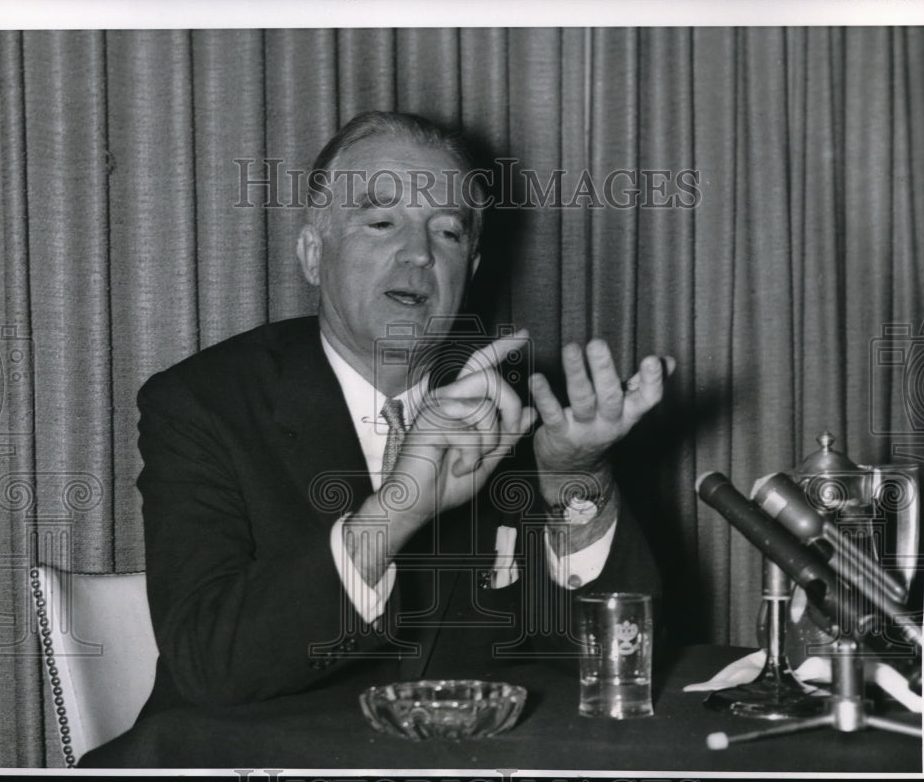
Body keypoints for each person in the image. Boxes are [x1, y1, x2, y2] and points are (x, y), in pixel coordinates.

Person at [129, 111, 674, 719]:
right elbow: (209, 663)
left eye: (447, 233)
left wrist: (578, 476)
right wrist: (398, 510)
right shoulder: (204, 404)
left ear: (468, 271)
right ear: (313, 254)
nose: (417, 254)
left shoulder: (514, 407)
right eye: (382, 221)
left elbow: (602, 661)